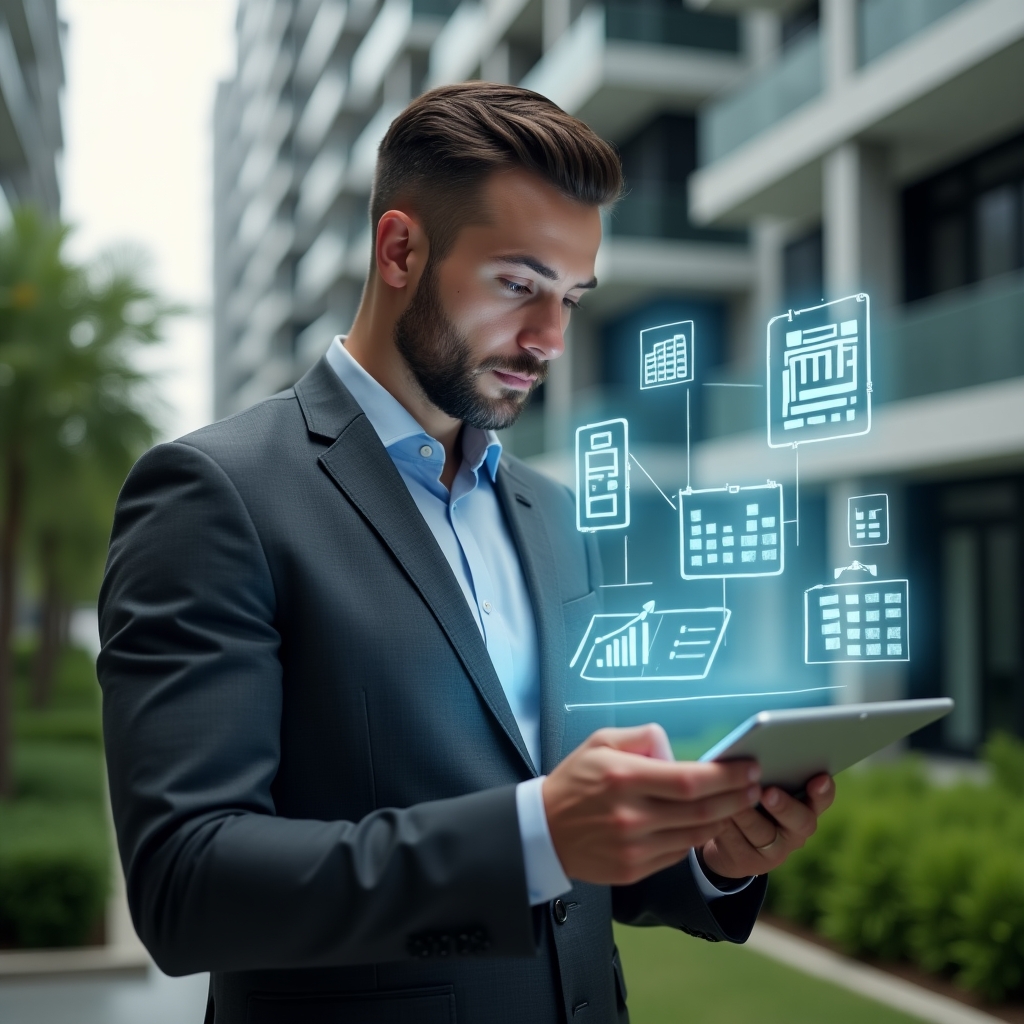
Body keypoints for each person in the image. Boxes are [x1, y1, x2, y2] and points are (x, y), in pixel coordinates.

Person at [98, 83, 834, 1024]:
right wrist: (534, 834)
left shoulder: (554, 516)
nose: (550, 340)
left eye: (571, 298)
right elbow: (188, 885)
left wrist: (710, 856)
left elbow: (579, 866)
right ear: (400, 250)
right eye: (519, 286)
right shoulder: (215, 494)